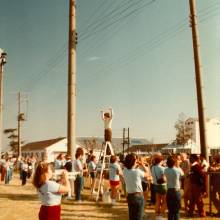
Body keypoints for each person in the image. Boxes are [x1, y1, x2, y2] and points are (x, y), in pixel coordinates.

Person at [123, 154, 148, 220]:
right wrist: (142, 164)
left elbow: (128, 167)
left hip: (130, 196)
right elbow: (147, 173)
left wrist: (136, 164)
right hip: (138, 196)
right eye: (135, 160)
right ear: (133, 162)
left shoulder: (125, 171)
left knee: (132, 217)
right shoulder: (137, 171)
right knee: (138, 217)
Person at [164, 156, 184, 220]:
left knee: (170, 210)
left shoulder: (165, 170)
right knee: (176, 211)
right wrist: (178, 166)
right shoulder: (178, 170)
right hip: (176, 190)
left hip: (169, 190)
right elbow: (183, 175)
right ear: (174, 163)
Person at [151, 155, 167, 219]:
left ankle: (157, 214)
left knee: (157, 200)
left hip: (156, 185)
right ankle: (160, 215)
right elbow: (164, 179)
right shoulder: (162, 168)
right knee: (164, 201)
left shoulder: (153, 167)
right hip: (163, 186)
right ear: (161, 161)